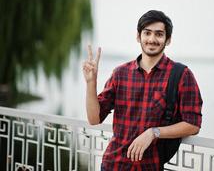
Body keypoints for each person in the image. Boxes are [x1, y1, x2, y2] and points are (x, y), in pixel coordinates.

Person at [83, 10, 203, 171]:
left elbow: (192, 124)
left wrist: (154, 132)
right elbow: (94, 119)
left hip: (149, 166)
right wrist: (91, 82)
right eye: (147, 33)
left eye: (159, 34)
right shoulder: (120, 73)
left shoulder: (181, 75)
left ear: (168, 40)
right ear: (138, 36)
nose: (152, 39)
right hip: (113, 164)